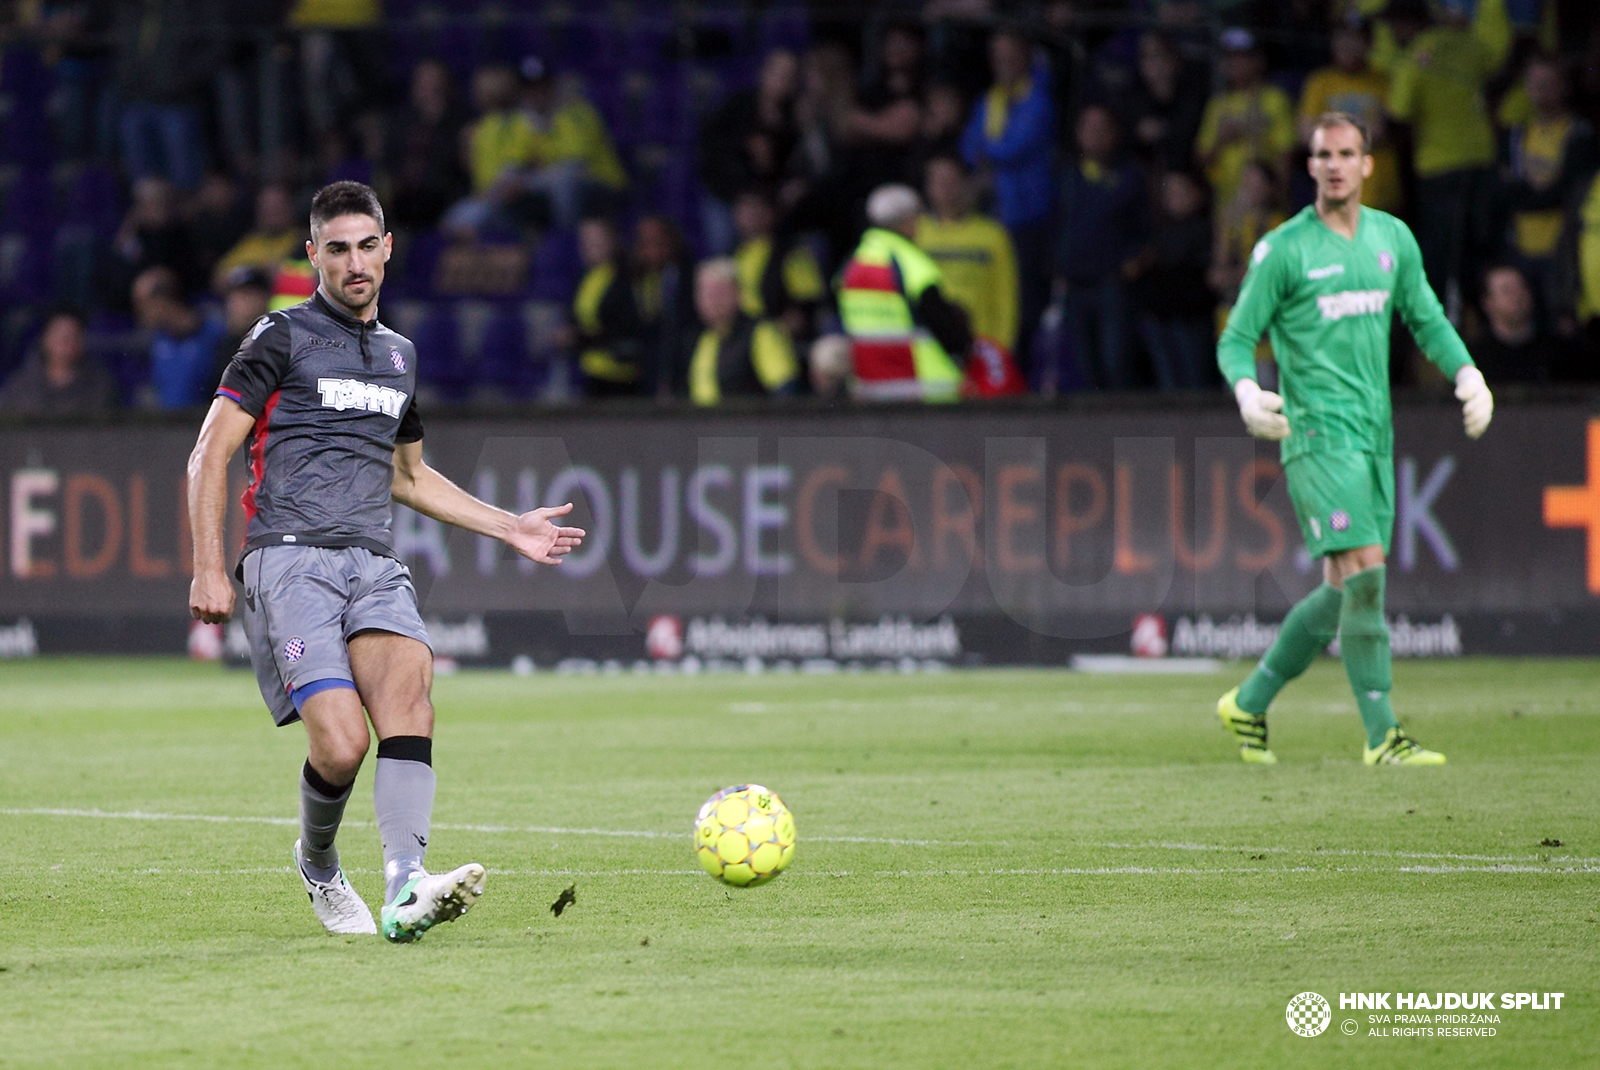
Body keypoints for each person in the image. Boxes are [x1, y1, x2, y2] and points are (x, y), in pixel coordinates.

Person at [187, 180, 585, 942]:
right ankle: (319, 860)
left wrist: (509, 527)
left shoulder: (399, 355)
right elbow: (210, 453)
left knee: (411, 698)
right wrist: (210, 567)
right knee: (341, 745)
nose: (354, 261)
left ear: (388, 247)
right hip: (290, 560)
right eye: (336, 249)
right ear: (312, 257)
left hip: (371, 561)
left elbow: (406, 476)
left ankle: (406, 887)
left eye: (367, 244)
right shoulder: (280, 336)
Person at [1214, 112, 1493, 767]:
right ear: (1309, 166)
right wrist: (1248, 393)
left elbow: (1426, 317)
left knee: (1345, 588)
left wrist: (1468, 373)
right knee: (1366, 572)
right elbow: (1234, 337)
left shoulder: (1392, 239)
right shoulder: (1283, 249)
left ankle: (1249, 704)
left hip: (1373, 434)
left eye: (1346, 153)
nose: (1334, 164)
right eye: (1322, 154)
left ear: (1368, 164)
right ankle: (1382, 735)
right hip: (1314, 434)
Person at [1385, 0, 1509, 311]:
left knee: (1442, 259)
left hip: (1438, 168)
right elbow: (1496, 65)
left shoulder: (1415, 55)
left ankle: (1444, 340)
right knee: (1480, 252)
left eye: (1396, 24)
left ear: (1413, 23)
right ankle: (1484, 322)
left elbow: (1398, 114)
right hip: (1481, 161)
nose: (1391, 32)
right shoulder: (1468, 43)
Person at [961, 28, 1054, 372]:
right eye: (996, 58)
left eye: (1008, 58)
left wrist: (987, 151)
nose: (1001, 65)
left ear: (1025, 58)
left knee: (1024, 302)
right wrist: (987, 150)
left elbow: (1014, 147)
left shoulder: (1038, 100)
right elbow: (968, 146)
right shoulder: (991, 100)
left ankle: (1022, 371)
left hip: (1026, 218)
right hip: (995, 216)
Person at [836, 184, 971, 402]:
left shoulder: (852, 266)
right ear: (907, 220)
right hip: (924, 389)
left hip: (872, 389)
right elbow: (944, 326)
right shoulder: (912, 263)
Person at [1054, 105, 1147, 390]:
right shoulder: (1067, 176)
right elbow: (1054, 227)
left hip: (1111, 285)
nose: (1094, 136)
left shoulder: (1130, 175)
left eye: (1101, 129)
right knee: (1085, 367)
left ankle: (1124, 429)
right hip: (1074, 286)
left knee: (1115, 362)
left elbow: (1144, 229)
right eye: (1087, 128)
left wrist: (1133, 262)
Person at [1496, 53, 1597, 314]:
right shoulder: (1516, 135)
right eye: (1534, 83)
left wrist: (1524, 191)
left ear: (1563, 86)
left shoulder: (1579, 135)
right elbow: (1501, 191)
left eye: (1548, 83)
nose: (1540, 91)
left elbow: (1567, 194)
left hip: (1562, 253)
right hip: (1519, 249)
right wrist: (1536, 192)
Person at [699, 49, 801, 255]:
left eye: (789, 76)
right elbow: (710, 144)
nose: (782, 81)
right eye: (778, 74)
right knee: (724, 255)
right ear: (765, 73)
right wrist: (745, 146)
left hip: (764, 202)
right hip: (725, 196)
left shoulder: (795, 117)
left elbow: (790, 166)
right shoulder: (739, 104)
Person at [916, 153, 1018, 352]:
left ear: (966, 183)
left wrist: (1002, 346)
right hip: (927, 346)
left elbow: (1006, 296)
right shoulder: (917, 234)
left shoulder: (992, 236)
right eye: (938, 180)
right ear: (927, 186)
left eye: (951, 179)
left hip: (981, 346)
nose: (946, 187)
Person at [1298, 21, 1402, 215]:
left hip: (1380, 192)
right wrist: (1362, 134)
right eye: (1342, 39)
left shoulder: (1384, 81)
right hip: (1335, 194)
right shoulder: (1320, 83)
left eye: (1356, 39)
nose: (1348, 46)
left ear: (1368, 43)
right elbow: (1306, 135)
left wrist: (1331, 136)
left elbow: (1383, 131)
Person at [1127, 169, 1214, 390]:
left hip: (1191, 317)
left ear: (1197, 193)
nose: (1175, 198)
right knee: (1169, 383)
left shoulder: (1206, 229)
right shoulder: (1159, 230)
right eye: (1170, 193)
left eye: (1181, 191)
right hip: (1161, 318)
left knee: (1195, 381)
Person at [1195, 28, 1296, 217]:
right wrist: (1222, 139)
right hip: (1228, 205)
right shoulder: (1218, 105)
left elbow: (1286, 154)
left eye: (1242, 57)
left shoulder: (1275, 99)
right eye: (1230, 57)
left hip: (1267, 207)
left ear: (1259, 60)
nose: (1235, 64)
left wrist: (1278, 197)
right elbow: (1202, 158)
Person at [688, 259, 799, 405]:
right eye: (705, 293)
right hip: (704, 425)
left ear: (738, 293)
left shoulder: (761, 332)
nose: (712, 300)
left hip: (747, 424)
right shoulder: (702, 339)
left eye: (719, 292)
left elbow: (785, 390)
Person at [730, 188, 827, 347]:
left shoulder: (791, 253)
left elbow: (809, 300)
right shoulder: (734, 253)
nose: (748, 215)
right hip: (740, 339)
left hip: (776, 339)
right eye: (743, 208)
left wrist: (786, 327)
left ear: (771, 213)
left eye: (754, 208)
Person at [132, 266, 229, 409]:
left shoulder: (214, 332)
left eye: (142, 305)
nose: (140, 314)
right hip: (170, 426)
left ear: (161, 301)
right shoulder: (158, 341)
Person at [571, 215, 645, 396]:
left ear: (613, 239)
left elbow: (628, 323)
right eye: (586, 240)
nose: (591, 246)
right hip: (592, 369)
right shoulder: (587, 276)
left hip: (621, 374)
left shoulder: (628, 276)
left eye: (598, 239)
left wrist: (580, 337)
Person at [0, 308, 118, 415]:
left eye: (74, 335)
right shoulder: (19, 386)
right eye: (60, 334)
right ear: (45, 338)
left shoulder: (101, 385)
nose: (67, 341)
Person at [1470, 263, 1570, 383]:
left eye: (1521, 287)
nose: (1516, 295)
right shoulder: (1473, 358)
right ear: (1487, 302)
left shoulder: (1559, 353)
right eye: (1506, 290)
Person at [212, 185, 302, 292]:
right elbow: (219, 281)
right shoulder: (250, 243)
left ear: (290, 209)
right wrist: (254, 271)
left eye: (276, 208)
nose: (271, 214)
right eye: (266, 209)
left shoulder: (302, 242)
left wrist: (276, 274)